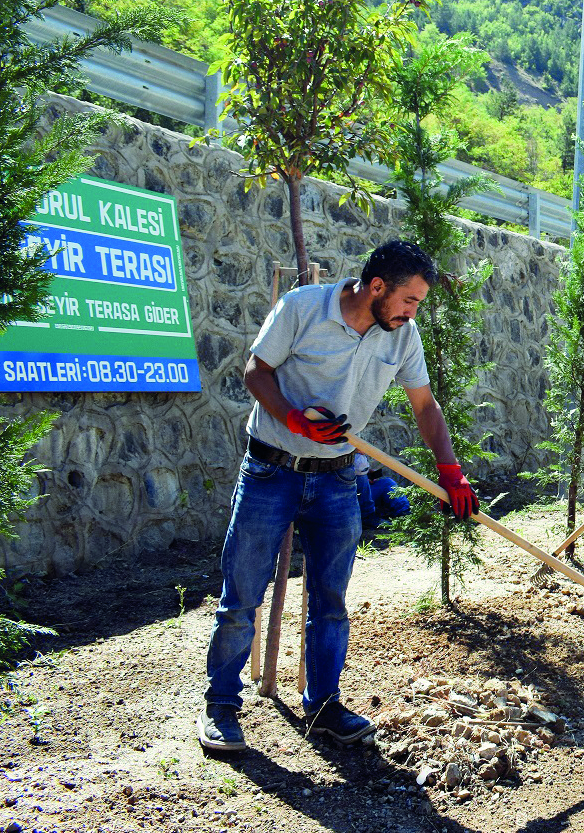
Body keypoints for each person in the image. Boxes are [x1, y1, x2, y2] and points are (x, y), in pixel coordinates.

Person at [199, 240, 478, 753]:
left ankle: (323, 705)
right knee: (241, 595)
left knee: (331, 601)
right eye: (409, 300)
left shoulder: (402, 335)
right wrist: (294, 418)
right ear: (376, 287)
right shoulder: (301, 308)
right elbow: (254, 372)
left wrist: (451, 472)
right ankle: (221, 705)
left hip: (336, 479)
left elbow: (425, 406)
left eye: (417, 303)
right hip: (271, 470)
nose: (413, 312)